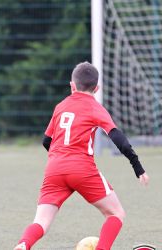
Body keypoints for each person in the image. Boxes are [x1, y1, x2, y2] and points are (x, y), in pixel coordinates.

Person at [13, 62, 150, 250]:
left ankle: (23, 244)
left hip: (54, 168)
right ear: (97, 88)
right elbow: (118, 138)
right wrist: (137, 166)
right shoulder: (95, 108)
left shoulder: (60, 106)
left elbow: (46, 141)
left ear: (72, 85)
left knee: (41, 222)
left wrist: (60, 160)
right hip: (82, 168)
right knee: (116, 213)